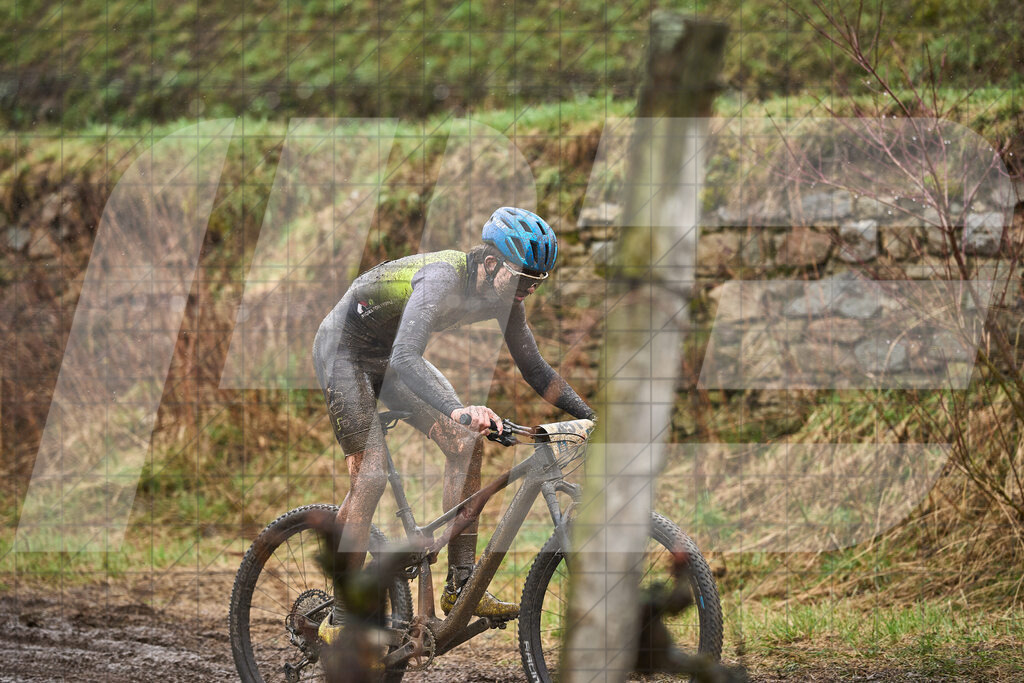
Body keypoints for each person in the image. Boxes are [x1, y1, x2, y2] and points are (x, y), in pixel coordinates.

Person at [312, 207, 595, 634]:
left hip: (390, 356)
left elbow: (535, 370)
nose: (528, 290)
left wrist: (590, 416)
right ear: (491, 263)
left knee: (466, 442)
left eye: (537, 282)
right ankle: (340, 615)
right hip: (344, 352)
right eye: (523, 278)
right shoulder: (442, 277)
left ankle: (461, 585)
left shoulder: (505, 299)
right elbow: (406, 357)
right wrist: (458, 409)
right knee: (370, 476)